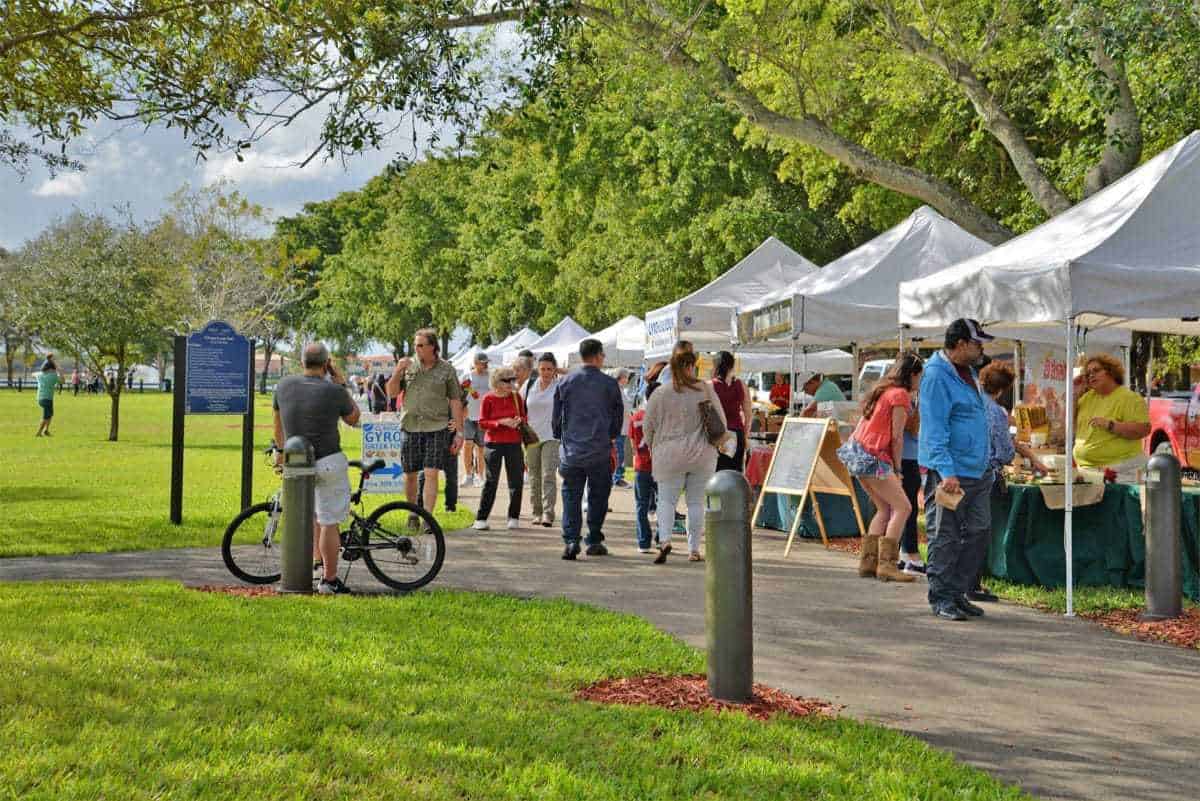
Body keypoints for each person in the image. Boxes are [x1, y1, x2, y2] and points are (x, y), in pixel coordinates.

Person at [919, 319, 994, 622]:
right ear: (961, 344)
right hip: (950, 471)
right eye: (978, 343)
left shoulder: (968, 374)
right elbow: (934, 428)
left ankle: (958, 592)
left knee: (979, 531)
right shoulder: (937, 376)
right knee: (945, 535)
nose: (982, 349)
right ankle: (941, 597)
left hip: (977, 470)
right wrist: (946, 470)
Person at [272, 343, 360, 595]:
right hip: (328, 460)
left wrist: (280, 453)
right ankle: (329, 580)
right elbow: (353, 418)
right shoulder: (334, 390)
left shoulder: (284, 386)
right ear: (326, 363)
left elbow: (278, 425)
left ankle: (313, 564)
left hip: (296, 461)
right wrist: (341, 382)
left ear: (302, 362)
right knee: (329, 521)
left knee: (309, 515)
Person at [836, 353, 922, 583]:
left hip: (856, 455)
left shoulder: (882, 390)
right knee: (903, 508)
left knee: (884, 510)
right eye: (919, 377)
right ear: (912, 375)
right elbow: (896, 438)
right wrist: (897, 469)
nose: (919, 382)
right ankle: (887, 565)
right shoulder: (900, 395)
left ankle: (868, 562)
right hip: (875, 457)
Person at [643, 348, 726, 564]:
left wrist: (653, 446)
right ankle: (694, 549)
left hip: (669, 455)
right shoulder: (705, 390)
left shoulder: (660, 393)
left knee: (667, 501)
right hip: (702, 455)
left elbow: (647, 426)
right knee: (696, 503)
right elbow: (722, 423)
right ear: (692, 366)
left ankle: (665, 540)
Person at [553, 338, 624, 560]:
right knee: (598, 495)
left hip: (572, 450)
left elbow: (556, 418)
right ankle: (593, 538)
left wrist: (560, 436)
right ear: (597, 356)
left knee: (571, 495)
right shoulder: (609, 384)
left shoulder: (566, 382)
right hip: (599, 449)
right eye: (602, 355)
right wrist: (611, 436)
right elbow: (617, 417)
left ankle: (571, 540)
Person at [386, 329, 465, 519]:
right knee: (410, 474)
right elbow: (392, 392)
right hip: (410, 426)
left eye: (421, 345)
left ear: (432, 347)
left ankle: (428, 519)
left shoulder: (446, 369)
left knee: (431, 472)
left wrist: (459, 432)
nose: (417, 349)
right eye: (415, 345)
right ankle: (412, 514)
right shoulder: (408, 367)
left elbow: (455, 400)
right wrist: (397, 371)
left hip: (437, 427)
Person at [1072, 353, 1150, 482]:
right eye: (1088, 373)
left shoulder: (1129, 398)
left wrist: (1111, 425)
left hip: (1121, 472)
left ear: (1111, 372)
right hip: (1087, 472)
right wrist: (1074, 392)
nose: (1091, 375)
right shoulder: (1086, 398)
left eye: (1096, 370)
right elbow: (1067, 425)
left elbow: (1144, 430)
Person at [472, 366, 527, 531]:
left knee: (516, 481)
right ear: (496, 381)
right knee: (491, 481)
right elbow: (482, 423)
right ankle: (481, 518)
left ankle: (513, 516)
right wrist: (500, 422)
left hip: (514, 442)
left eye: (513, 379)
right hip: (493, 443)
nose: (511, 383)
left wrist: (518, 420)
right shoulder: (488, 398)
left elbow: (524, 416)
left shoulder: (517, 397)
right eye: (506, 380)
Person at [524, 352, 561, 527]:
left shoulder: (560, 385)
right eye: (543, 369)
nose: (546, 372)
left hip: (551, 436)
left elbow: (577, 373)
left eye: (549, 369)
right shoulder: (529, 385)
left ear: (555, 370)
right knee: (534, 475)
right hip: (531, 436)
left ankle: (548, 513)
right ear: (537, 369)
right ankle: (536, 512)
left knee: (548, 475)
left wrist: (561, 370)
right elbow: (519, 404)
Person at [629, 378, 659, 553]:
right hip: (661, 465)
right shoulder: (664, 417)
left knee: (641, 505)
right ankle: (662, 538)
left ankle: (643, 542)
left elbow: (633, 445)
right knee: (664, 503)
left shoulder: (636, 417)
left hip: (642, 465)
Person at [711, 351, 751, 472]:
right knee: (735, 473)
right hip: (737, 432)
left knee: (718, 474)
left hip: (719, 434)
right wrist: (744, 435)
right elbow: (748, 415)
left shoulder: (710, 386)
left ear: (715, 366)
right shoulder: (741, 384)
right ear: (732, 366)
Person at [898, 389, 924, 575]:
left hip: (906, 457)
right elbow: (912, 428)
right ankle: (912, 555)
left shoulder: (902, 398)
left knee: (901, 509)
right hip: (906, 458)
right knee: (908, 508)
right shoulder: (905, 399)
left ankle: (902, 553)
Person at [460, 352, 490, 487]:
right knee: (467, 445)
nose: (485, 365)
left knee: (481, 449)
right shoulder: (467, 377)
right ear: (476, 363)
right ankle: (468, 475)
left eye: (486, 363)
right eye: (482, 363)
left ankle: (480, 476)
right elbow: (459, 395)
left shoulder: (491, 377)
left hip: (484, 417)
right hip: (468, 416)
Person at [612, 369, 635, 488]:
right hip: (618, 429)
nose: (627, 379)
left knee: (618, 453)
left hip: (622, 428)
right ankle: (617, 478)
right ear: (620, 378)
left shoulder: (620, 390)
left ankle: (616, 477)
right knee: (619, 454)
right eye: (626, 377)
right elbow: (623, 409)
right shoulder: (617, 391)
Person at [35, 356, 60, 437]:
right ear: (51, 369)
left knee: (50, 415)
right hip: (47, 399)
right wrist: (60, 371)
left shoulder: (39, 375)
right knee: (46, 416)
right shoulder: (53, 376)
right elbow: (63, 381)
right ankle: (39, 433)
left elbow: (33, 374)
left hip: (40, 398)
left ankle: (46, 430)